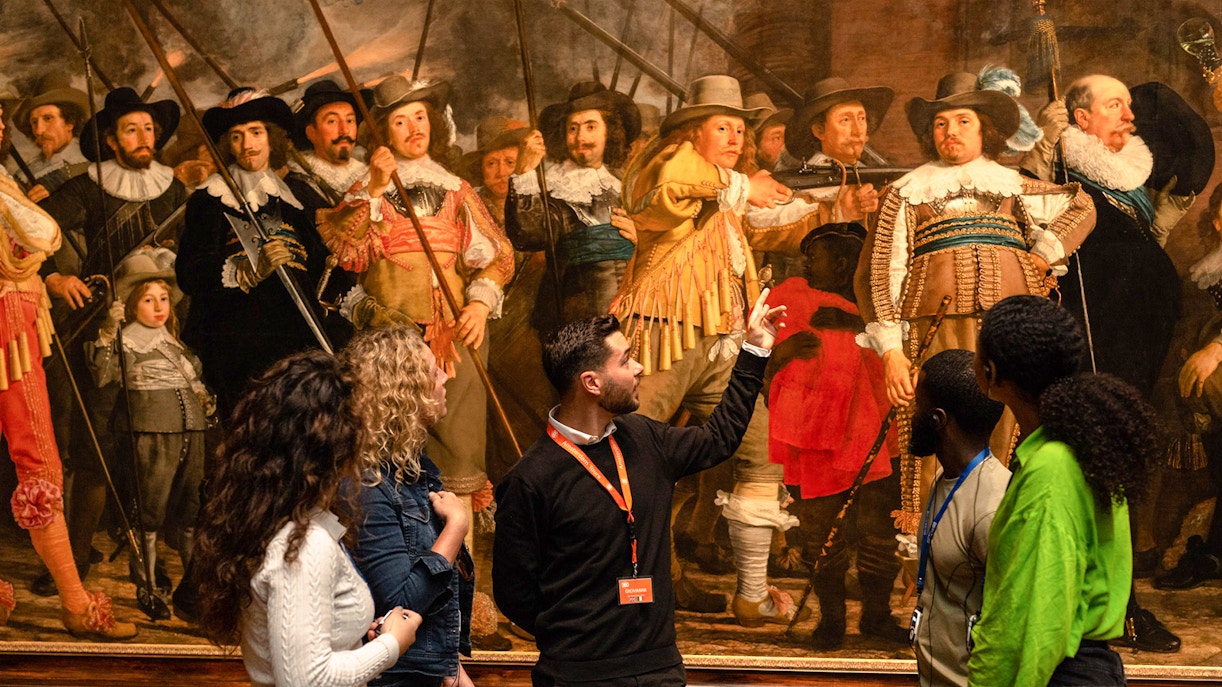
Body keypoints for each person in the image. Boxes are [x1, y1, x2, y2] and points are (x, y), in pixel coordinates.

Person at [610, 74, 829, 625]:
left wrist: (834, 204)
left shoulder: (727, 192)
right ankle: (624, 594)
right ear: (692, 131)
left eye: (739, 128)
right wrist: (738, 187)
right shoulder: (673, 163)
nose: (734, 136)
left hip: (724, 340)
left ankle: (751, 593)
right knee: (626, 458)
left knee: (759, 455)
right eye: (722, 126)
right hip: (664, 332)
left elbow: (766, 222)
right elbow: (665, 197)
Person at [493, 289, 786, 687]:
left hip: (658, 669)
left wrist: (754, 352)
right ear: (592, 383)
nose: (641, 367)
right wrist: (575, 638)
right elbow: (514, 592)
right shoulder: (532, 478)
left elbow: (720, 438)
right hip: (577, 676)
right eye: (627, 360)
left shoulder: (645, 438)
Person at [856, 70, 1095, 533]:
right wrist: (890, 351)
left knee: (1012, 430)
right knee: (939, 433)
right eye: (941, 124)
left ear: (985, 128)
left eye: (963, 121)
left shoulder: (1011, 185)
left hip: (1010, 335)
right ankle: (933, 559)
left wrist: (1044, 254)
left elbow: (1080, 205)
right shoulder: (906, 194)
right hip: (935, 332)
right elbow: (879, 274)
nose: (951, 132)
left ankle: (1005, 541)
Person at [1022, 75, 1202, 653]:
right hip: (1088, 339)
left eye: (1129, 104)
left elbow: (1197, 142)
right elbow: (1028, 202)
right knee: (1092, 467)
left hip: (1138, 341)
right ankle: (1108, 608)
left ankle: (1116, 604)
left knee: (1121, 468)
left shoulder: (1134, 183)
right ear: (1079, 119)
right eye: (1114, 105)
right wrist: (1048, 144)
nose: (1128, 115)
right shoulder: (1061, 172)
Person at [317, 76, 514, 557]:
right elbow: (345, 253)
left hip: (458, 341)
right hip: (391, 347)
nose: (413, 128)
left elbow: (499, 255)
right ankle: (391, 576)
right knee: (384, 455)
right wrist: (378, 186)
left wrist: (480, 303)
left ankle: (463, 591)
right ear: (383, 133)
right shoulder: (367, 190)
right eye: (400, 121)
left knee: (461, 460)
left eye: (420, 117)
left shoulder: (457, 189)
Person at [34, 86, 189, 598]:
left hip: (161, 330)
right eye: (130, 129)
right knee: (96, 445)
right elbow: (37, 229)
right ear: (110, 138)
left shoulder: (173, 191)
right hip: (105, 328)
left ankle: (145, 561)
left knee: (149, 445)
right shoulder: (87, 187)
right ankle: (75, 557)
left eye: (148, 129)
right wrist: (57, 278)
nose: (143, 138)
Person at [193, 351, 422, 686]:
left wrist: (360, 641)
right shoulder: (304, 546)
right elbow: (307, 681)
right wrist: (392, 644)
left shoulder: (280, 524)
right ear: (332, 445)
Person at [0, 100, 136, 640]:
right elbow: (39, 238)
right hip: (8, 324)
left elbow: (40, 238)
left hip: (18, 327)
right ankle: (76, 605)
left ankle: (74, 603)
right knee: (39, 464)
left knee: (39, 463)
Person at [967, 295, 1153, 686]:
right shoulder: (1075, 446)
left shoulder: (1052, 469)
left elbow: (1037, 621)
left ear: (991, 371)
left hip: (1059, 674)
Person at [762, 222, 906, 647]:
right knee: (822, 533)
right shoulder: (793, 299)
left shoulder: (884, 309)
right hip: (815, 440)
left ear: (843, 264)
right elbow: (764, 369)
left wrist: (855, 322)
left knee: (878, 531)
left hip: (878, 436)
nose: (806, 264)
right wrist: (782, 354)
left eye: (815, 258)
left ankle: (877, 617)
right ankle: (832, 621)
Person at [177, 87, 344, 418]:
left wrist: (356, 299)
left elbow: (319, 267)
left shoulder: (291, 200)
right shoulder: (209, 200)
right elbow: (189, 273)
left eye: (256, 132)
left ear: (272, 139)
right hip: (237, 342)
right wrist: (247, 271)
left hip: (293, 340)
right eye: (237, 137)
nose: (247, 144)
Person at [342, 325, 475, 687]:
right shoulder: (368, 484)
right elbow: (400, 604)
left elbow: (435, 611)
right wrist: (455, 529)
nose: (446, 376)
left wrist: (454, 672)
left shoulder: (413, 472)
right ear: (403, 392)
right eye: (433, 371)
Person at [85, 248, 210, 621]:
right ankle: (147, 584)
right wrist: (108, 331)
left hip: (191, 431)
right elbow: (102, 377)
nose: (159, 307)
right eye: (148, 300)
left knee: (189, 514)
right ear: (131, 304)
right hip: (150, 431)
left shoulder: (174, 343)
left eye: (163, 300)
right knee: (149, 514)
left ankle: (196, 588)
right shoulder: (125, 341)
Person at [908, 349, 1009, 686]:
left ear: (938, 419)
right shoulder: (946, 478)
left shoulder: (993, 507)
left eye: (917, 405)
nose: (910, 414)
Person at [507, 81, 639, 331]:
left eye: (591, 127)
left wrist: (642, 239)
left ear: (609, 132)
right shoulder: (554, 186)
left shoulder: (625, 182)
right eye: (573, 128)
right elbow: (529, 236)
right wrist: (524, 172)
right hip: (576, 309)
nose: (581, 137)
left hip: (635, 306)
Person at [286, 79, 372, 210]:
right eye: (332, 121)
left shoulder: (367, 172)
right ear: (311, 133)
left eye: (350, 120)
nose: (345, 130)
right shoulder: (300, 183)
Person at [12, 72, 89, 202]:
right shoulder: (23, 175)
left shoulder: (91, 163)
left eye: (48, 118)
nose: (39, 130)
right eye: (34, 122)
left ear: (70, 123)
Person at [462, 116, 529, 230]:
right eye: (491, 163)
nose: (501, 173)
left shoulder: (540, 206)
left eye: (509, 162)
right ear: (481, 167)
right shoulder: (468, 206)